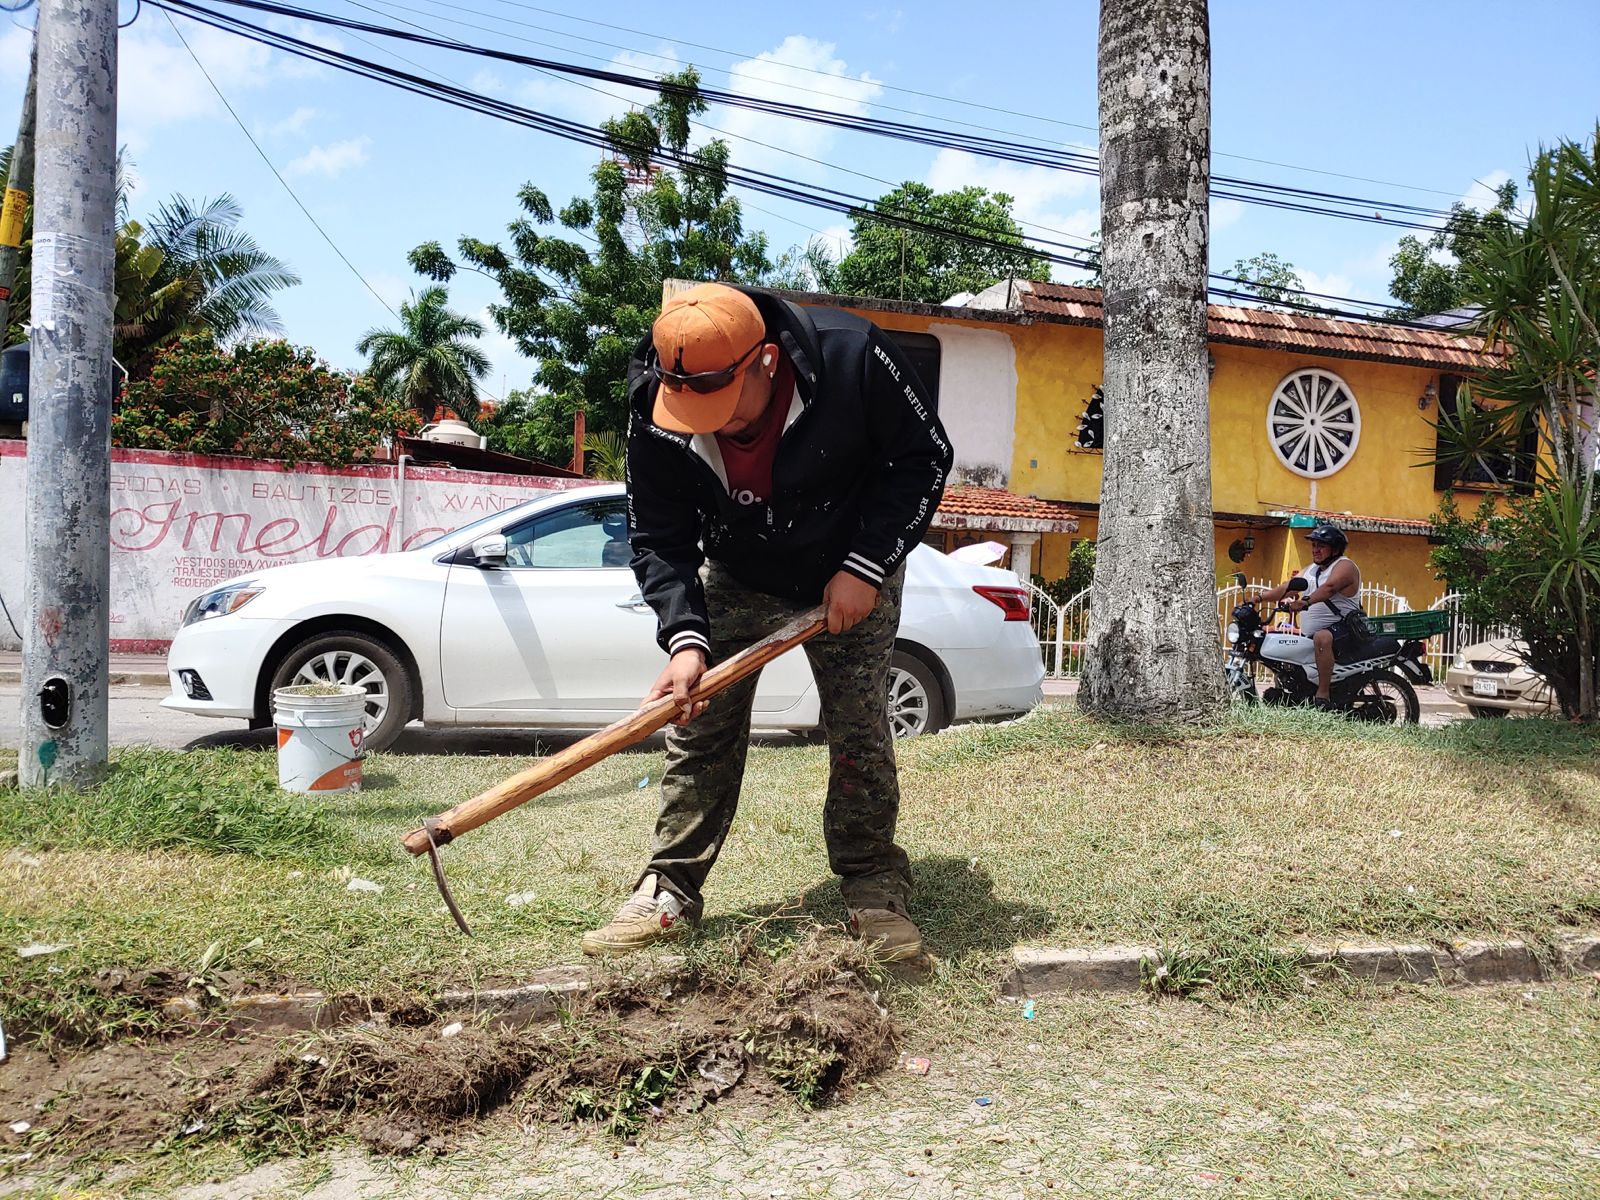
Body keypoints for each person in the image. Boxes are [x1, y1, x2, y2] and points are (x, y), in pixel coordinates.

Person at [580, 282, 953, 962]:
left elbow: (923, 457)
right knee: (699, 722)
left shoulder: (855, 358)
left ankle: (872, 881)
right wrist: (685, 638)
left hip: (848, 563)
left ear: (769, 363)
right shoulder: (658, 405)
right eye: (692, 412)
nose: (710, 427)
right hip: (742, 568)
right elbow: (658, 536)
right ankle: (670, 887)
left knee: (858, 723)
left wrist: (867, 564)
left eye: (724, 408)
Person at [1254, 524, 1362, 708]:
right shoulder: (1311, 570)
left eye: (1321, 545)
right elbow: (1286, 588)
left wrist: (1304, 603)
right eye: (1313, 545)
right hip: (1313, 633)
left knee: (1322, 637)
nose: (1315, 550)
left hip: (1346, 628)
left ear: (1335, 549)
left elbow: (1330, 588)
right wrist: (1256, 599)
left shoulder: (1345, 566)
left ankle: (1323, 694)